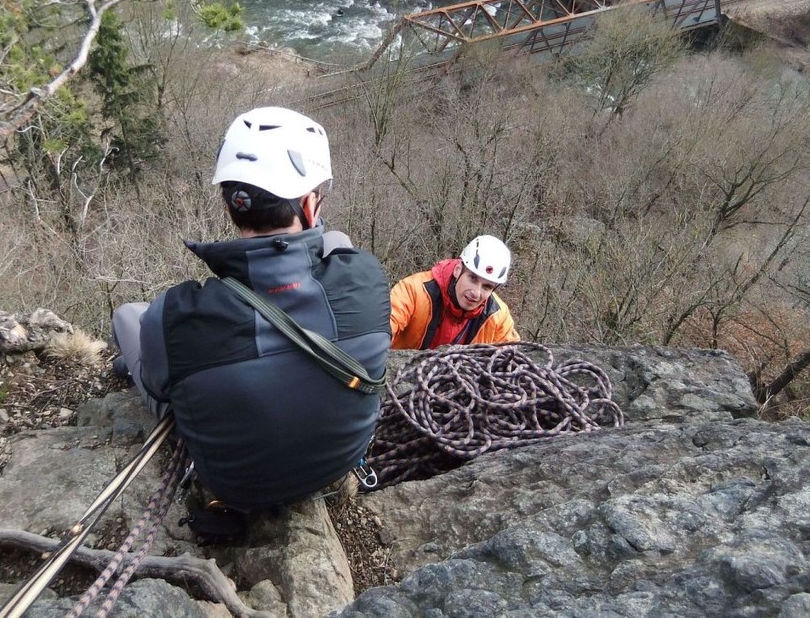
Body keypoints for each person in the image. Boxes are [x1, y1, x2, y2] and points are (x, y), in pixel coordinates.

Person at [111, 106, 390, 509]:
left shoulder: (174, 315)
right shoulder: (367, 277)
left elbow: (158, 389)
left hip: (237, 485)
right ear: (311, 206)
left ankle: (123, 365)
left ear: (230, 205)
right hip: (338, 461)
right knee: (338, 242)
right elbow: (330, 245)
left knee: (127, 315)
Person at [389, 234, 519, 350]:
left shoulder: (497, 317)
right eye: (472, 279)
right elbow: (383, 326)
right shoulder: (414, 291)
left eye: (487, 287)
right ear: (458, 270)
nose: (476, 293)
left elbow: (513, 357)